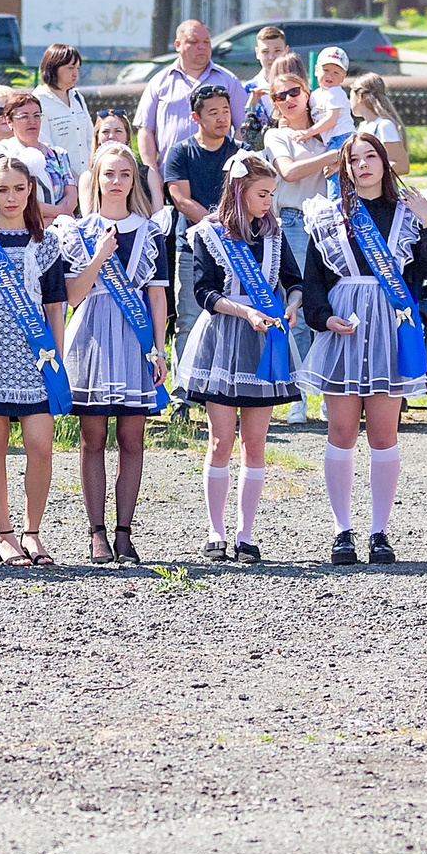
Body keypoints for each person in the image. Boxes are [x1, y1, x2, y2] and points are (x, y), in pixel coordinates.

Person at [299, 133, 427, 565]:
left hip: (390, 327)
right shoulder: (329, 215)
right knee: (341, 433)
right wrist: (323, 318)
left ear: (384, 162)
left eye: (370, 156)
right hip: (343, 328)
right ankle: (341, 530)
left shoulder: (409, 214)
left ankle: (380, 531)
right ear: (345, 168)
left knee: (384, 435)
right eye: (354, 159)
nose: (363, 165)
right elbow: (313, 278)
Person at [0, 147, 75, 567]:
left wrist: (56, 359)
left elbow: (55, 306)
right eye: (3, 189)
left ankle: (32, 531)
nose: (11, 197)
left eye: (19, 189)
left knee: (41, 445)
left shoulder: (47, 243)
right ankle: (4, 534)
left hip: (35, 356)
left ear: (31, 189)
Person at [174, 154, 302, 562]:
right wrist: (245, 312)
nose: (268, 202)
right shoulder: (208, 234)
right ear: (239, 190)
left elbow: (294, 281)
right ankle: (216, 531)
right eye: (262, 194)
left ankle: (245, 534)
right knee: (220, 440)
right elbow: (204, 292)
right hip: (224, 340)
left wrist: (292, 306)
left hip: (265, 341)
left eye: (272, 194)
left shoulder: (274, 234)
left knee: (255, 442)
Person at [60, 143, 168, 565]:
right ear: (97, 178)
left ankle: (125, 532)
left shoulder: (150, 232)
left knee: (132, 439)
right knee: (92, 438)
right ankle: (97, 532)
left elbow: (157, 296)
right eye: (109, 173)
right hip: (90, 336)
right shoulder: (77, 231)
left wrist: (158, 348)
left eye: (125, 174)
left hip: (134, 339)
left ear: (134, 180)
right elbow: (72, 296)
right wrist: (99, 257)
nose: (117, 181)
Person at [258, 65, 335, 425]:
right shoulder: (277, 136)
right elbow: (288, 172)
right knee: (300, 310)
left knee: (331, 306)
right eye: (279, 96)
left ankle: (331, 391)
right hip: (294, 222)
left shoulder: (329, 134)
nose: (288, 99)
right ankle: (299, 395)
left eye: (294, 92)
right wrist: (334, 156)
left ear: (307, 94)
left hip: (331, 224)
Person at [161, 84, 241, 356]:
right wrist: (218, 227)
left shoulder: (241, 152)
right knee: (189, 319)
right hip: (192, 248)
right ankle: (183, 382)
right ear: (196, 117)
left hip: (235, 247)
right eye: (213, 112)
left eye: (226, 111)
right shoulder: (180, 152)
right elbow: (181, 200)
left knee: (233, 319)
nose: (222, 118)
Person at [0, 89, 78, 223]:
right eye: (24, 116)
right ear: (9, 122)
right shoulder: (2, 154)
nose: (32, 121)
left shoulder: (58, 154)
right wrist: (60, 214)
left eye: (36, 116)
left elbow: (71, 196)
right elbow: (15, 199)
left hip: (61, 226)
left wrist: (59, 219)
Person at [33, 42, 94, 172]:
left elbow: (90, 137)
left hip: (86, 175)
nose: (75, 74)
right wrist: (72, 177)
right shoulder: (38, 100)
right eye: (70, 68)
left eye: (77, 68)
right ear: (53, 68)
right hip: (58, 177)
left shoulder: (77, 97)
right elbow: (46, 147)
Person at [345, 74, 408, 175]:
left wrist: (370, 172)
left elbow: (401, 166)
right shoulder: (362, 127)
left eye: (350, 97)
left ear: (360, 97)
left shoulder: (384, 126)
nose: (349, 102)